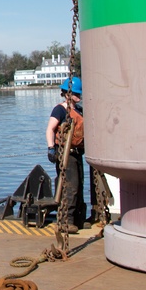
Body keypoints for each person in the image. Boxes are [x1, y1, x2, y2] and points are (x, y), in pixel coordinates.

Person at [46, 76, 86, 233]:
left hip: (77, 153)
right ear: (67, 93)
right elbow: (50, 129)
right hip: (65, 153)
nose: (79, 96)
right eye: (76, 93)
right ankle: (66, 221)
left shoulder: (79, 110)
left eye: (79, 94)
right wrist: (51, 148)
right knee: (70, 186)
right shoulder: (60, 110)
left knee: (79, 185)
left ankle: (78, 218)